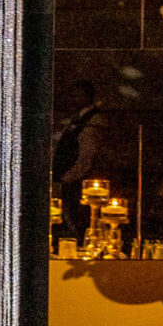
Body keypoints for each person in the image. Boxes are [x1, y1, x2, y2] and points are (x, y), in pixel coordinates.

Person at [51, 79, 110, 245]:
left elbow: (86, 154)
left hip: (77, 180)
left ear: (86, 96)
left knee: (80, 219)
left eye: (76, 96)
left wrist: (68, 177)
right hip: (69, 177)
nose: (72, 100)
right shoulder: (77, 119)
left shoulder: (93, 120)